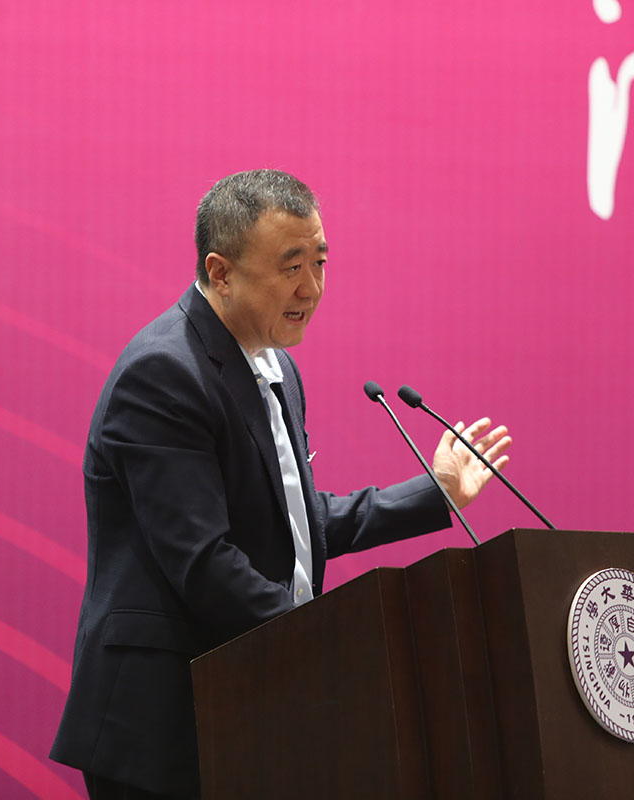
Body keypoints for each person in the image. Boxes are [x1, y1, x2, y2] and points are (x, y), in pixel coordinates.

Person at [50, 169, 511, 799]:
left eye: (319, 262)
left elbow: (293, 522)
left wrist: (436, 492)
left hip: (248, 703)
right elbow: (203, 561)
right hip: (161, 723)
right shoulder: (164, 373)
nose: (311, 288)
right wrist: (329, 638)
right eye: (290, 267)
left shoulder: (277, 369)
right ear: (221, 273)